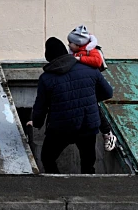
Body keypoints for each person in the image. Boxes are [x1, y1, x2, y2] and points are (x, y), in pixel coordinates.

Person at [27, 37, 113, 174]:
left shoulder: (46, 78)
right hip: (88, 125)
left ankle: (59, 186)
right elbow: (108, 93)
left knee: (48, 158)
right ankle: (88, 189)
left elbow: (40, 106)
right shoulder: (90, 69)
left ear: (48, 56)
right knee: (88, 162)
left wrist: (36, 123)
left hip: (60, 128)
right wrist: (88, 98)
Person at [67, 24, 118, 152]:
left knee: (95, 107)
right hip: (87, 84)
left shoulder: (90, 51)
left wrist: (79, 58)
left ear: (78, 44)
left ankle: (108, 133)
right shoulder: (76, 52)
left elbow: (97, 62)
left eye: (70, 43)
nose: (68, 45)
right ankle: (107, 133)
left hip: (92, 84)